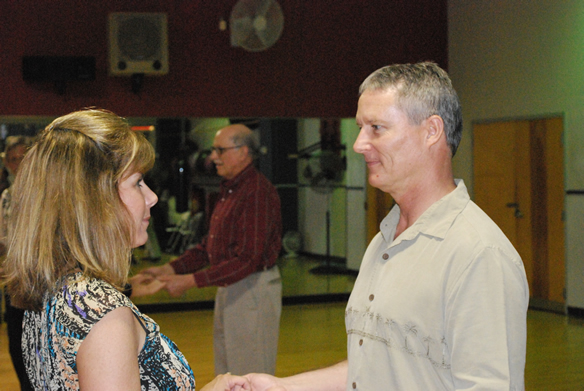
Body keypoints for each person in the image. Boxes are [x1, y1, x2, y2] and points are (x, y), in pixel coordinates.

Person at [245, 62, 530, 390]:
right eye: (361, 127)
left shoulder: (478, 254)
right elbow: (376, 366)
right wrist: (282, 387)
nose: (358, 144)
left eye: (376, 128)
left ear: (431, 131)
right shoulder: (384, 242)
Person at [1, 108, 249, 391]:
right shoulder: (103, 315)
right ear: (97, 198)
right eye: (138, 183)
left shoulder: (51, 287)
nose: (152, 197)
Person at [142, 123, 283, 376]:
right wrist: (169, 268)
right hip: (230, 287)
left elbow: (247, 260)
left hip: (252, 289)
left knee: (250, 374)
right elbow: (211, 246)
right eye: (213, 150)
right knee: (228, 371)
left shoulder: (257, 192)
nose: (212, 158)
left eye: (220, 150)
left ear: (243, 152)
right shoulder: (230, 190)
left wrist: (190, 281)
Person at [0, 135, 34, 391]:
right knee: (16, 345)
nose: (17, 164)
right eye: (12, 159)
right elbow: (4, 238)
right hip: (13, 281)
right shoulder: (6, 196)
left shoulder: (45, 194)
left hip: (39, 281)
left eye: (21, 158)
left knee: (36, 346)